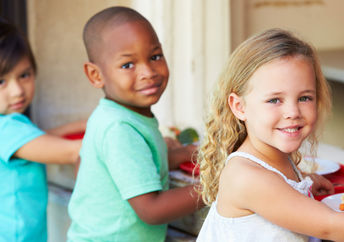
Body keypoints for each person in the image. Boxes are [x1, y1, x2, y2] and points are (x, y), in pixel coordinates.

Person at [67, 6, 202, 242]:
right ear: (96, 75)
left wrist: (184, 153)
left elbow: (138, 166)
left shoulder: (115, 115)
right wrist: (219, 185)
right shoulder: (119, 128)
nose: (148, 72)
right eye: (128, 65)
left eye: (155, 56)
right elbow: (152, 210)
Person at [196, 28, 344, 241]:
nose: (293, 112)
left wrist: (305, 181)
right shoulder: (247, 177)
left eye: (304, 98)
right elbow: (331, 227)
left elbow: (278, 189)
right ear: (239, 107)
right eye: (275, 100)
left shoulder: (272, 159)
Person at [0, 20, 86, 242]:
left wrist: (88, 122)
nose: (17, 91)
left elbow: (42, 137)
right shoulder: (6, 129)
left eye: (24, 75)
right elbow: (73, 152)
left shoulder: (12, 126)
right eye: (1, 82)